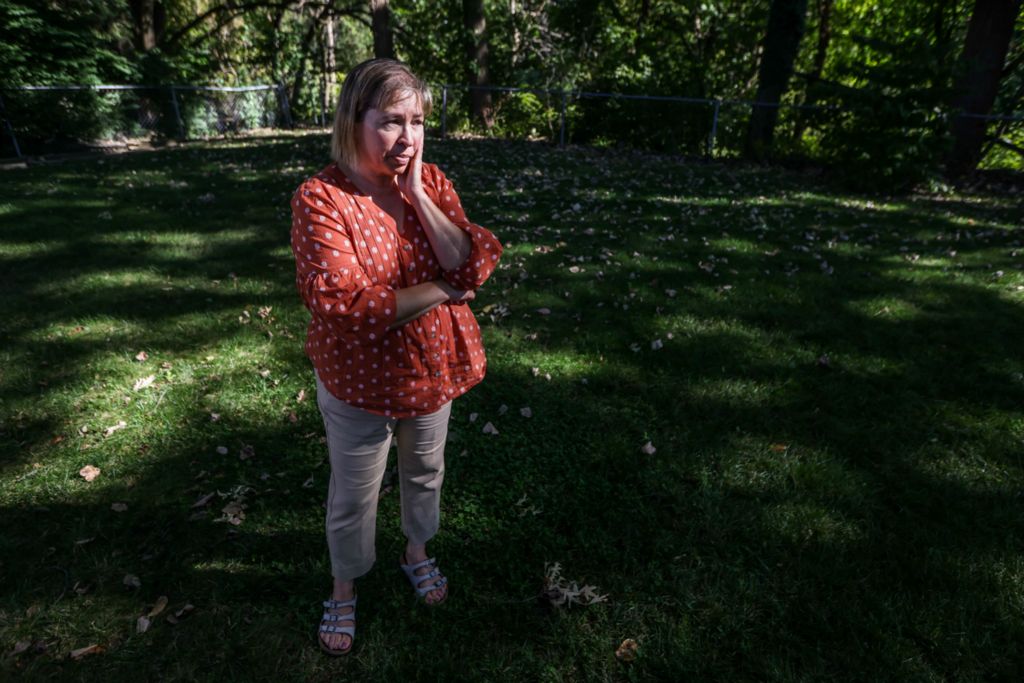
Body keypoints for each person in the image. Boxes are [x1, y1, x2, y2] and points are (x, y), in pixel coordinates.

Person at [289, 58, 503, 656]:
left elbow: (475, 259)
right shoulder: (322, 199)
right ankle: (344, 587)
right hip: (359, 380)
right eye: (390, 121)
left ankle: (416, 551)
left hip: (431, 371)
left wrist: (416, 196)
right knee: (354, 494)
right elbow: (348, 307)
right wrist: (441, 289)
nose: (407, 137)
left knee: (425, 474)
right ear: (354, 120)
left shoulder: (429, 182)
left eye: (417, 122)